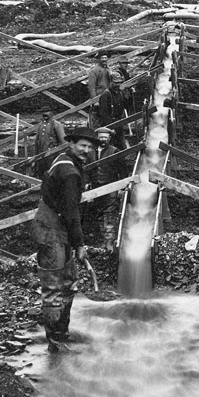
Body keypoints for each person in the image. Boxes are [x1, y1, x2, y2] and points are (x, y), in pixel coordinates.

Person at [30, 126, 103, 351]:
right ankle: (55, 341)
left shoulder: (64, 160)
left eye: (90, 147)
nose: (86, 150)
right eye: (82, 145)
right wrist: (80, 244)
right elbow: (72, 211)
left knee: (69, 281)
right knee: (54, 285)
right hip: (50, 229)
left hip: (57, 224)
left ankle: (61, 333)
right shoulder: (69, 172)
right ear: (71, 143)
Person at [91, 126, 126, 253]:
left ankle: (110, 242)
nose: (103, 140)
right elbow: (87, 169)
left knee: (109, 214)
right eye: (101, 137)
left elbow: (123, 170)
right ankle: (104, 241)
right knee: (99, 213)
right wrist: (86, 184)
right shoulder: (91, 152)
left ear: (109, 138)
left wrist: (121, 187)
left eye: (105, 138)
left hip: (111, 187)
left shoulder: (115, 151)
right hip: (96, 187)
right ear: (97, 138)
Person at [31, 110, 67, 178]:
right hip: (40, 157)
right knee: (41, 176)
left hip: (52, 156)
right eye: (43, 112)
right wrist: (34, 159)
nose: (45, 113)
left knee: (52, 176)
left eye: (47, 111)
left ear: (52, 113)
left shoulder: (57, 125)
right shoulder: (40, 125)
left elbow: (64, 143)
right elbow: (37, 143)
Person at [86, 52, 111, 128]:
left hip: (108, 97)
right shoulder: (94, 71)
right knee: (97, 118)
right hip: (99, 97)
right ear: (99, 59)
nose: (104, 60)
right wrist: (95, 100)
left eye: (105, 58)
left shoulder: (108, 69)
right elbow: (91, 86)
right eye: (102, 58)